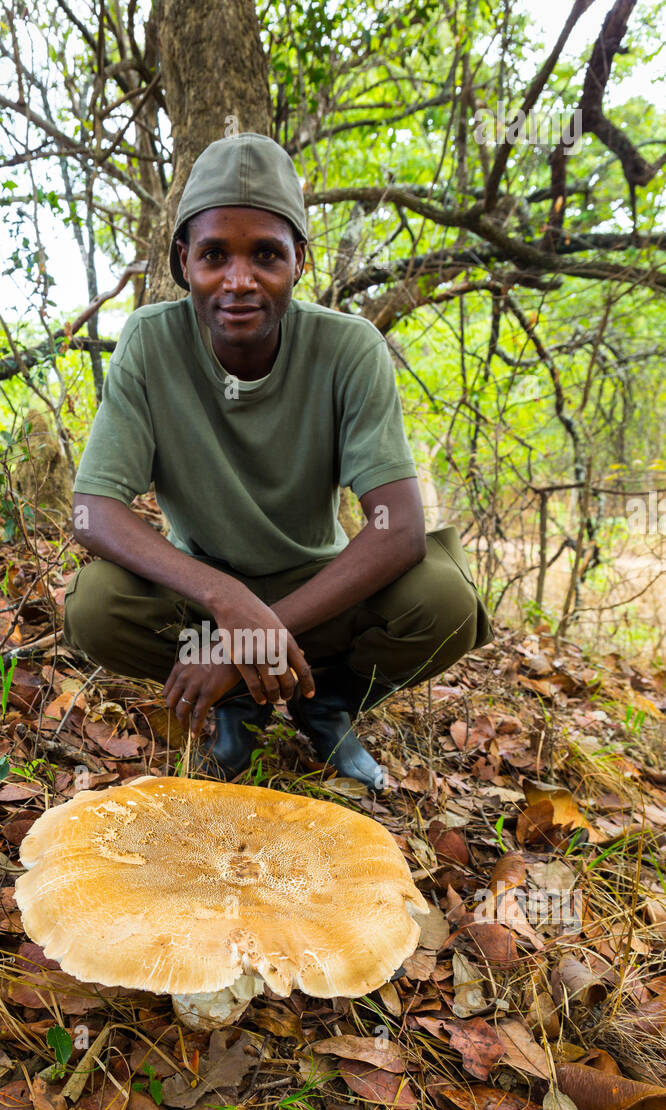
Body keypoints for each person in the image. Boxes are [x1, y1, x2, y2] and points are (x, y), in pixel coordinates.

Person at [64, 132, 492, 788]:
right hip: (204, 599)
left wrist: (247, 642)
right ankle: (240, 708)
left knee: (446, 601)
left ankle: (327, 704)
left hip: (318, 599)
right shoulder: (151, 344)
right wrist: (226, 600)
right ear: (184, 262)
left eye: (266, 254)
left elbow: (399, 528)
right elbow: (93, 514)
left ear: (299, 261)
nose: (239, 280)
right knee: (95, 605)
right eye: (214, 255)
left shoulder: (350, 349)